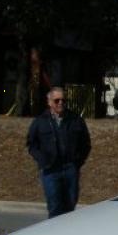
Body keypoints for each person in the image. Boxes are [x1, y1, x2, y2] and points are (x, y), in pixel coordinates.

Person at [26, 87, 91, 217]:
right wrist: (43, 160)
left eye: (63, 100)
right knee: (55, 207)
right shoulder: (40, 122)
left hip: (70, 169)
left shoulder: (75, 120)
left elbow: (86, 144)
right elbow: (32, 144)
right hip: (50, 170)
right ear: (49, 102)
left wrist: (77, 162)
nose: (60, 103)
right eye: (57, 100)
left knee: (70, 206)